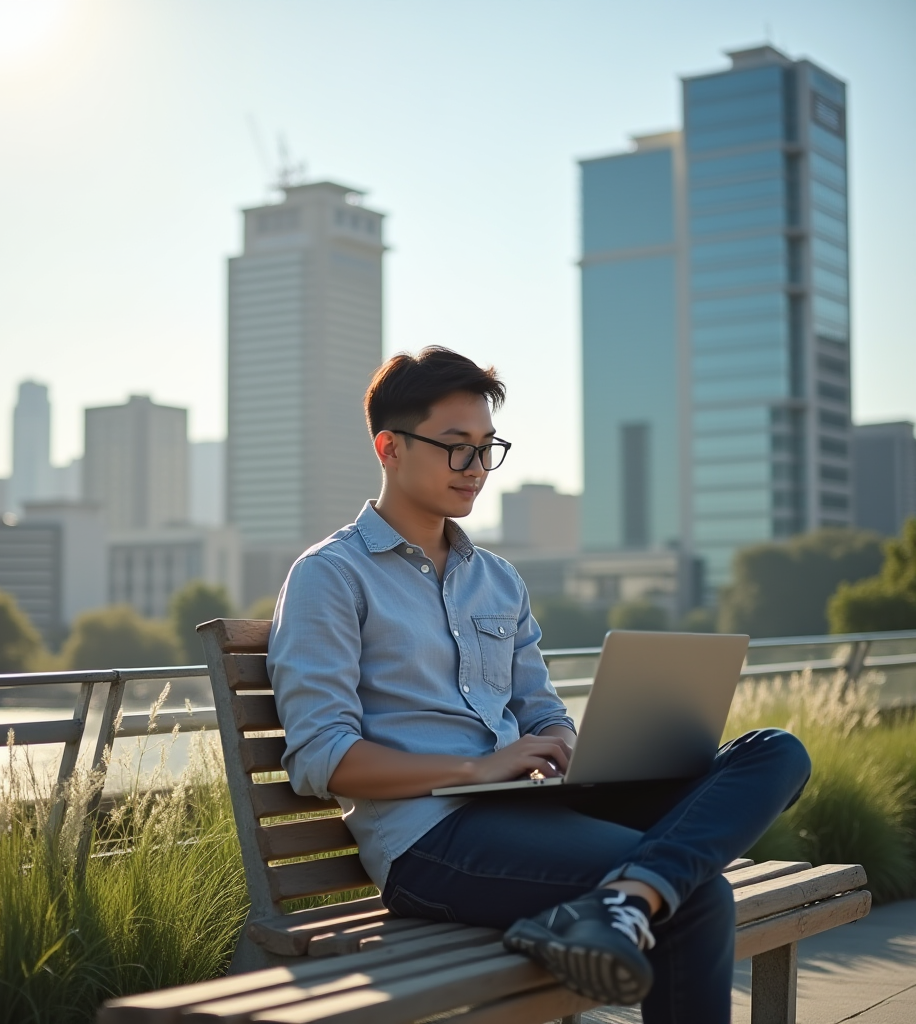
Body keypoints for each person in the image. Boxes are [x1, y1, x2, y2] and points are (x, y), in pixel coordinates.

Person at [268, 347, 811, 1022]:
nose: (476, 469)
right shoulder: (332, 575)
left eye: (487, 448)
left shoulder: (497, 579)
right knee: (698, 892)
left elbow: (542, 710)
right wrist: (477, 767)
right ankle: (629, 898)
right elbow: (324, 760)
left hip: (534, 813)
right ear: (390, 448)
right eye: (456, 448)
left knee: (775, 751)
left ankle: (620, 901)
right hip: (432, 844)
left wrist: (563, 743)